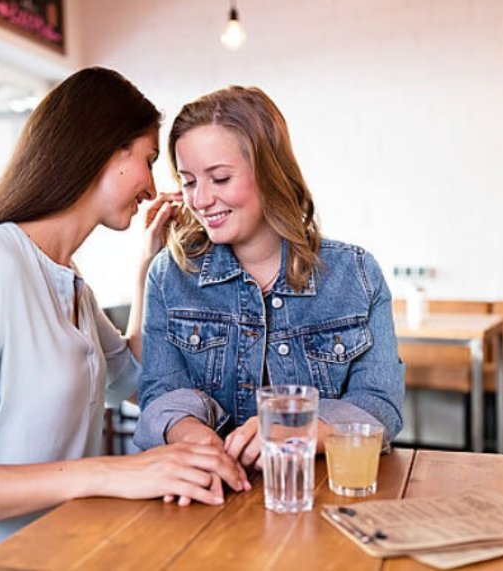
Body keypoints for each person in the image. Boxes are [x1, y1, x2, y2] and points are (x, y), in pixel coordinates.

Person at [0, 67, 248, 571]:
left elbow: (132, 380)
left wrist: (147, 268)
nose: (151, 185)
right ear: (102, 149)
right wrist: (109, 473)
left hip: (58, 550)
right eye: (147, 160)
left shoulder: (67, 278)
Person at [133, 86, 405, 473]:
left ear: (269, 173)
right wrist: (190, 434)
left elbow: (380, 404)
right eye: (190, 181)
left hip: (323, 497)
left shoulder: (356, 274)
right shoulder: (169, 276)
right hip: (210, 498)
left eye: (221, 178)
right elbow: (161, 392)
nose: (201, 200)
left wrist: (298, 430)